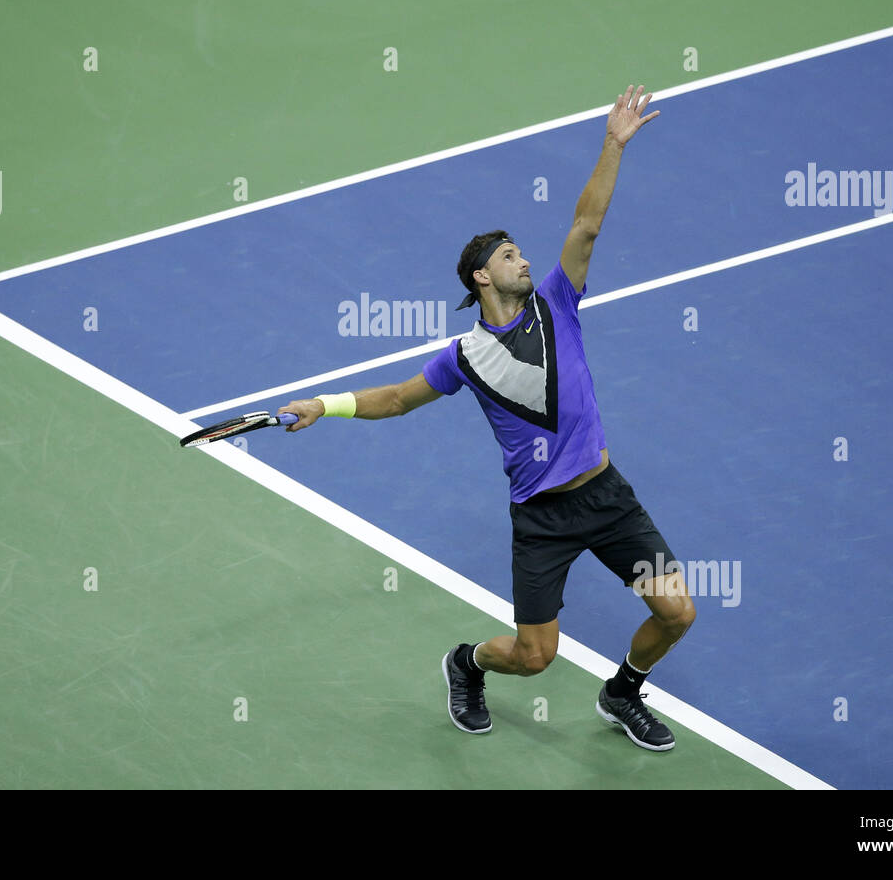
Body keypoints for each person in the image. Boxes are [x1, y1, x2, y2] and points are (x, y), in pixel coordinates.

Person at [278, 86, 695, 751]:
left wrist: (612, 144)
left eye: (522, 253)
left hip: (607, 497)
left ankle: (622, 693)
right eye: (509, 256)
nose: (524, 259)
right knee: (534, 658)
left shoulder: (558, 302)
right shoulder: (464, 356)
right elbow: (395, 399)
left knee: (677, 612)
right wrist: (322, 406)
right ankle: (465, 664)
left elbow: (586, 225)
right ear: (480, 277)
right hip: (542, 521)